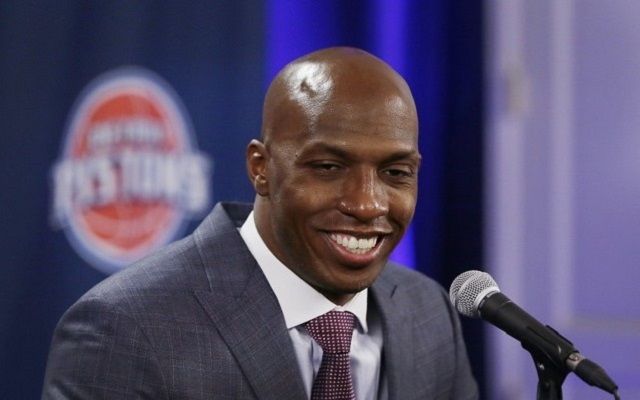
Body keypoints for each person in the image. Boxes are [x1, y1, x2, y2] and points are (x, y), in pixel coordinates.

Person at [42, 47, 478, 400]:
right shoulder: (125, 329)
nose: (367, 204)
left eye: (396, 173)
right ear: (260, 168)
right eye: (328, 167)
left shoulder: (429, 313)